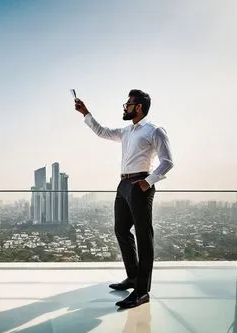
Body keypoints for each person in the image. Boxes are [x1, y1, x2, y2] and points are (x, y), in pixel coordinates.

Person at [74, 89, 173, 309]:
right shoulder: (127, 131)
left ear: (138, 107)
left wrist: (149, 181)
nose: (125, 107)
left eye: (128, 104)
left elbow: (167, 161)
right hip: (123, 185)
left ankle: (142, 291)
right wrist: (85, 113)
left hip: (141, 184)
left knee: (143, 236)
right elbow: (101, 131)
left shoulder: (154, 130)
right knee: (121, 229)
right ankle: (132, 277)